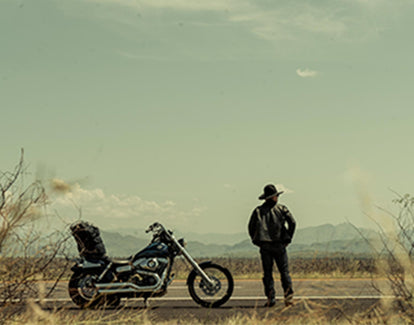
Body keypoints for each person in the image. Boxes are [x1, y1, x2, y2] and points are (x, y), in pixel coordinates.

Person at [248, 184, 296, 307]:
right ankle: (288, 298)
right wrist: (288, 239)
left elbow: (251, 227)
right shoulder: (282, 209)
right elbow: (292, 222)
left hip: (265, 246)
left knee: (268, 273)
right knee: (284, 272)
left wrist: (257, 241)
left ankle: (271, 299)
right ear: (273, 197)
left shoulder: (258, 211)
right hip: (280, 245)